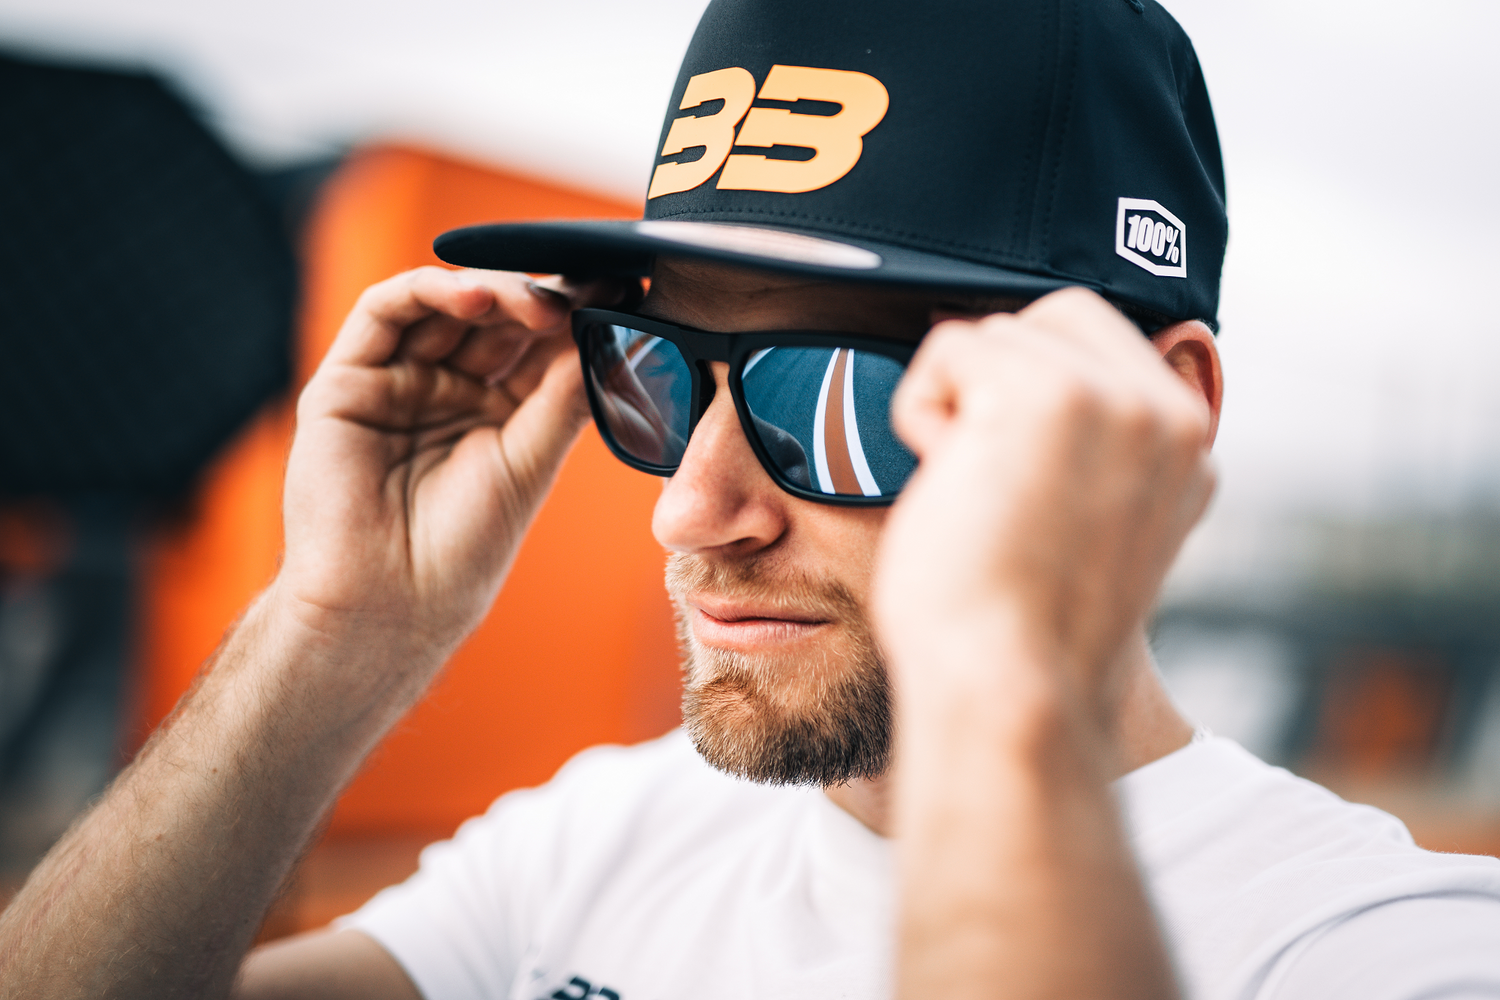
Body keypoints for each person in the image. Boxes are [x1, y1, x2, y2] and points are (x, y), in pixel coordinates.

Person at [4, 1, 1500, 998]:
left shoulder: (1370, 953)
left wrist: (1003, 672)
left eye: (831, 392)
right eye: (656, 368)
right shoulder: (604, 839)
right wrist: (333, 628)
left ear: (1162, 409)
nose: (693, 509)